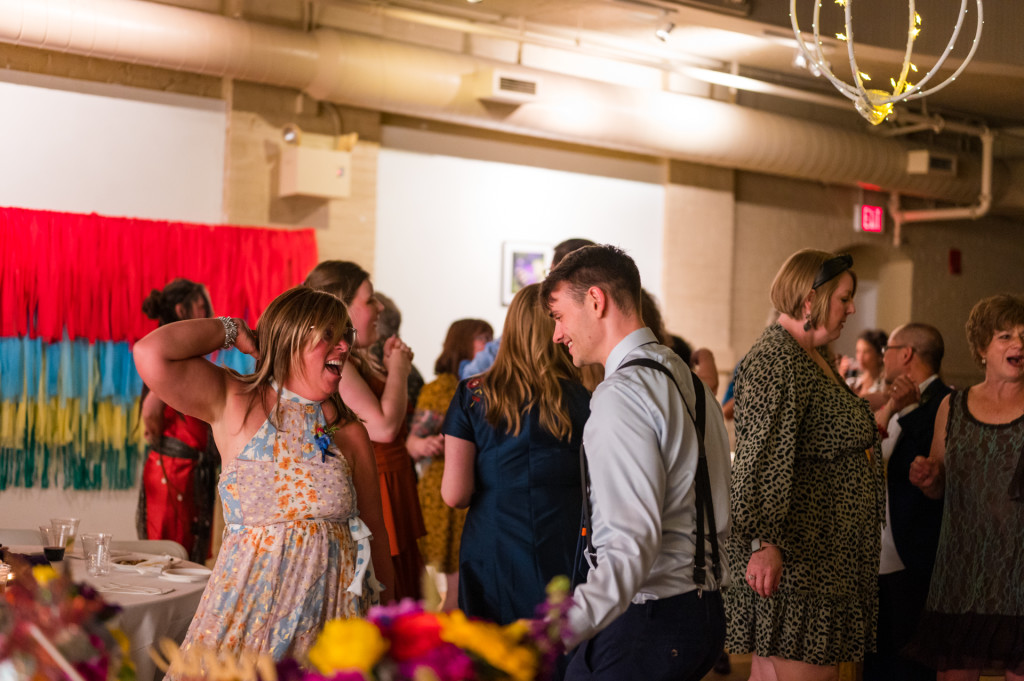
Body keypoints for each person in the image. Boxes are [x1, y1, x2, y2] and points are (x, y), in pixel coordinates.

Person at [132, 286, 394, 664]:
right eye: (329, 337)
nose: (343, 348)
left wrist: (394, 621)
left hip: (331, 629)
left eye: (345, 338)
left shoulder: (349, 432)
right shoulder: (236, 400)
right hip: (247, 625)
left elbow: (376, 532)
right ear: (291, 340)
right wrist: (232, 330)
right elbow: (151, 353)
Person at [541, 245, 731, 681]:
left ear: (595, 300)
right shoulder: (686, 378)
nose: (557, 334)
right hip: (702, 610)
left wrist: (558, 631)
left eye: (558, 315)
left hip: (649, 618)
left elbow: (630, 544)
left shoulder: (622, 394)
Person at [724, 249, 883, 681]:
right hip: (798, 566)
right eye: (844, 298)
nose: (852, 308)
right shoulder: (778, 359)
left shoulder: (815, 357)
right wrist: (764, 543)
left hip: (821, 562)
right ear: (810, 300)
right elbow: (761, 460)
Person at [441, 284, 589, 624]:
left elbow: (455, 494)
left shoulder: (473, 395)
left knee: (495, 655)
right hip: (564, 541)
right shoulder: (584, 398)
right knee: (555, 647)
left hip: (493, 542)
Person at [906, 294, 1024, 680]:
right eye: (1005, 336)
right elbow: (938, 487)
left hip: (1018, 573)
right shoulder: (951, 408)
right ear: (980, 348)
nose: (1018, 344)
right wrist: (929, 477)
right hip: (961, 574)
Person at [304, 261, 427, 601]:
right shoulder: (337, 364)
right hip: (378, 484)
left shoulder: (359, 359)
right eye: (370, 299)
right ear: (341, 305)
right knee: (389, 590)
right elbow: (384, 427)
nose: (380, 307)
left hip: (394, 478)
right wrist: (400, 369)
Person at [862, 323, 950, 681]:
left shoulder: (944, 401)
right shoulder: (895, 400)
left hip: (913, 554)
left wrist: (907, 409)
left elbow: (937, 470)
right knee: (878, 661)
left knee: (907, 665)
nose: (884, 357)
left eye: (889, 349)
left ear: (907, 354)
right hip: (882, 554)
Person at [408, 318, 493, 611]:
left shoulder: (490, 386)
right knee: (451, 588)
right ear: (463, 341)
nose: (489, 344)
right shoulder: (441, 389)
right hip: (443, 491)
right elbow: (413, 442)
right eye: (483, 337)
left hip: (476, 489)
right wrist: (425, 444)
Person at [136, 278, 220, 563]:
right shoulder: (171, 358)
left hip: (190, 470)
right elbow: (150, 410)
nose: (208, 311)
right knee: (169, 557)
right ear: (182, 310)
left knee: (187, 556)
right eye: (201, 305)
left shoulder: (185, 357)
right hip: (173, 469)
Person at [851, 329, 889, 407]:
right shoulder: (852, 382)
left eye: (866, 352)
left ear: (879, 356)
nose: (860, 357)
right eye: (858, 351)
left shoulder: (885, 386)